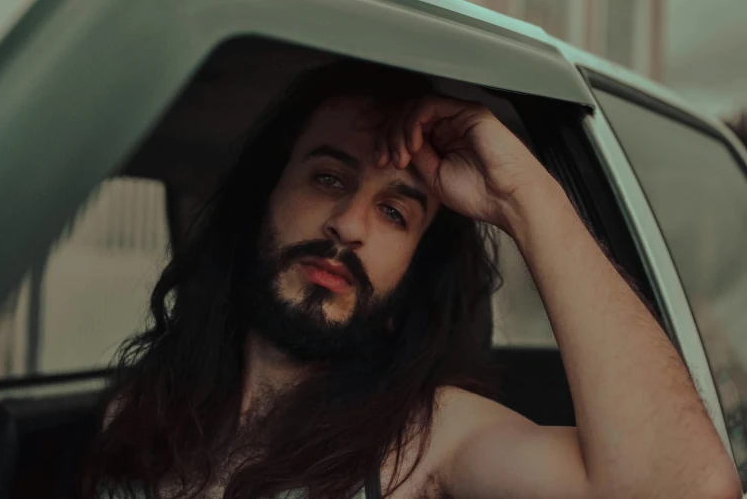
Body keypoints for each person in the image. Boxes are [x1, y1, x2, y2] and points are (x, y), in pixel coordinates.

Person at [85, 62, 741, 499]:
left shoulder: (427, 438)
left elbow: (682, 489)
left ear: (412, 277)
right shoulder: (137, 408)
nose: (349, 225)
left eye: (395, 211)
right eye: (328, 179)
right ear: (265, 196)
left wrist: (522, 198)